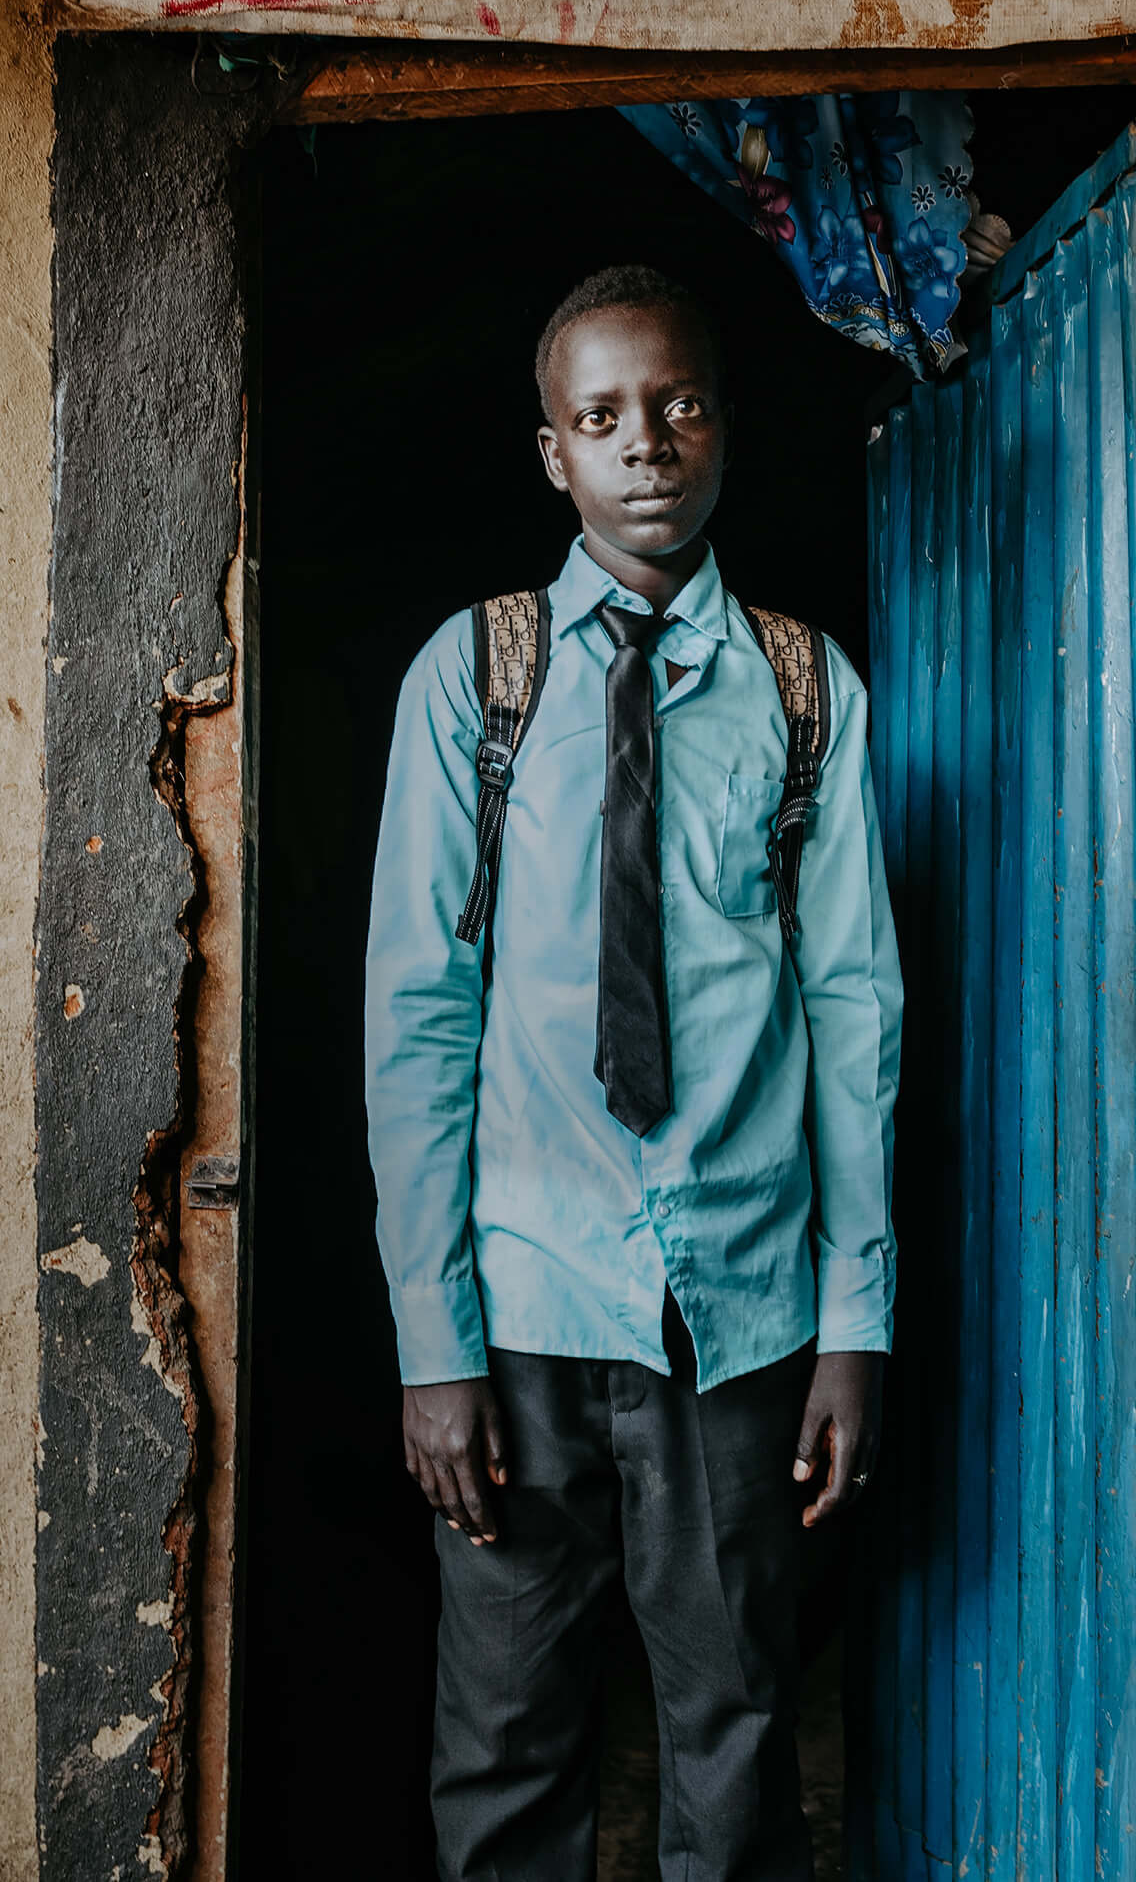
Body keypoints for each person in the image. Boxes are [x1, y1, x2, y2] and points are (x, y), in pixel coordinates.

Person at [364, 264, 903, 1881]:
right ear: (555, 455)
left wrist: (855, 1322)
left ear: (722, 427)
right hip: (524, 1305)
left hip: (737, 1308)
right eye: (601, 416)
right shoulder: (479, 678)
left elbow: (854, 1016)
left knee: (735, 1743)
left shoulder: (805, 691)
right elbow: (419, 1022)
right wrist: (432, 1346)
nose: (645, 442)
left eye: (676, 406)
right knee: (504, 1747)